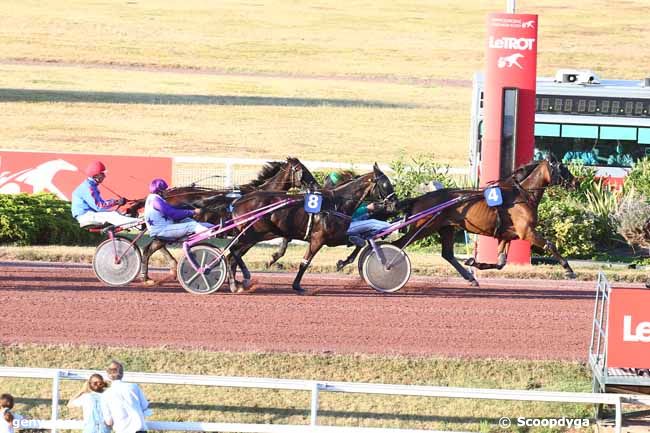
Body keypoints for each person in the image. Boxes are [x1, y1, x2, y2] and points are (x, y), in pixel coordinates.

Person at [71, 161, 140, 227]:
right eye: (102, 174)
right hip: (85, 216)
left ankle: (136, 224)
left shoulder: (91, 186)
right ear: (95, 176)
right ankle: (138, 223)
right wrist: (116, 202)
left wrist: (116, 202)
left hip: (90, 214)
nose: (104, 176)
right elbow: (99, 207)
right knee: (112, 215)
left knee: (116, 213)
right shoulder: (88, 188)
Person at [144, 178, 212, 239]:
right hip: (161, 230)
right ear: (160, 191)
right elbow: (173, 214)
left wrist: (189, 210)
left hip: (167, 226)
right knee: (192, 225)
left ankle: (212, 227)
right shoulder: (155, 200)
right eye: (165, 189)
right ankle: (210, 234)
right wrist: (193, 212)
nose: (167, 191)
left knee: (187, 220)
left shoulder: (156, 198)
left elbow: (173, 209)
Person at [101, 361, 150, 433]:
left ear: (108, 374)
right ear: (122, 373)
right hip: (139, 429)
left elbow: (109, 422)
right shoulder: (134, 387)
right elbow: (145, 406)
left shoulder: (105, 395)